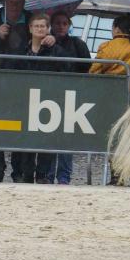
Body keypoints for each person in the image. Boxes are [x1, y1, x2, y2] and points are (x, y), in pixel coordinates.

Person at [0, 0, 54, 182]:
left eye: (18, 3)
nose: (14, 6)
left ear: (23, 3)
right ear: (5, 2)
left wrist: (52, 40)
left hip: (24, 84)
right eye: (11, 2)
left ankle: (19, 171)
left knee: (22, 127)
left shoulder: (31, 21)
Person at [46, 10, 91, 184]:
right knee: (48, 137)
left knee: (66, 138)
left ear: (69, 25)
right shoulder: (45, 42)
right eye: (57, 23)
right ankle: (47, 174)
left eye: (64, 23)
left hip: (70, 95)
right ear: (52, 25)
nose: (61, 26)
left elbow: (85, 66)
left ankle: (64, 176)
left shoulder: (78, 44)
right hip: (49, 95)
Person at [20, 13, 65, 183]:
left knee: (46, 139)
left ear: (48, 29)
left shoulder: (56, 49)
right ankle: (26, 174)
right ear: (30, 28)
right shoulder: (22, 49)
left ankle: (43, 175)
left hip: (48, 100)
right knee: (27, 140)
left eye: (43, 26)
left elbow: (66, 67)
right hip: (25, 100)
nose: (40, 29)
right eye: (36, 26)